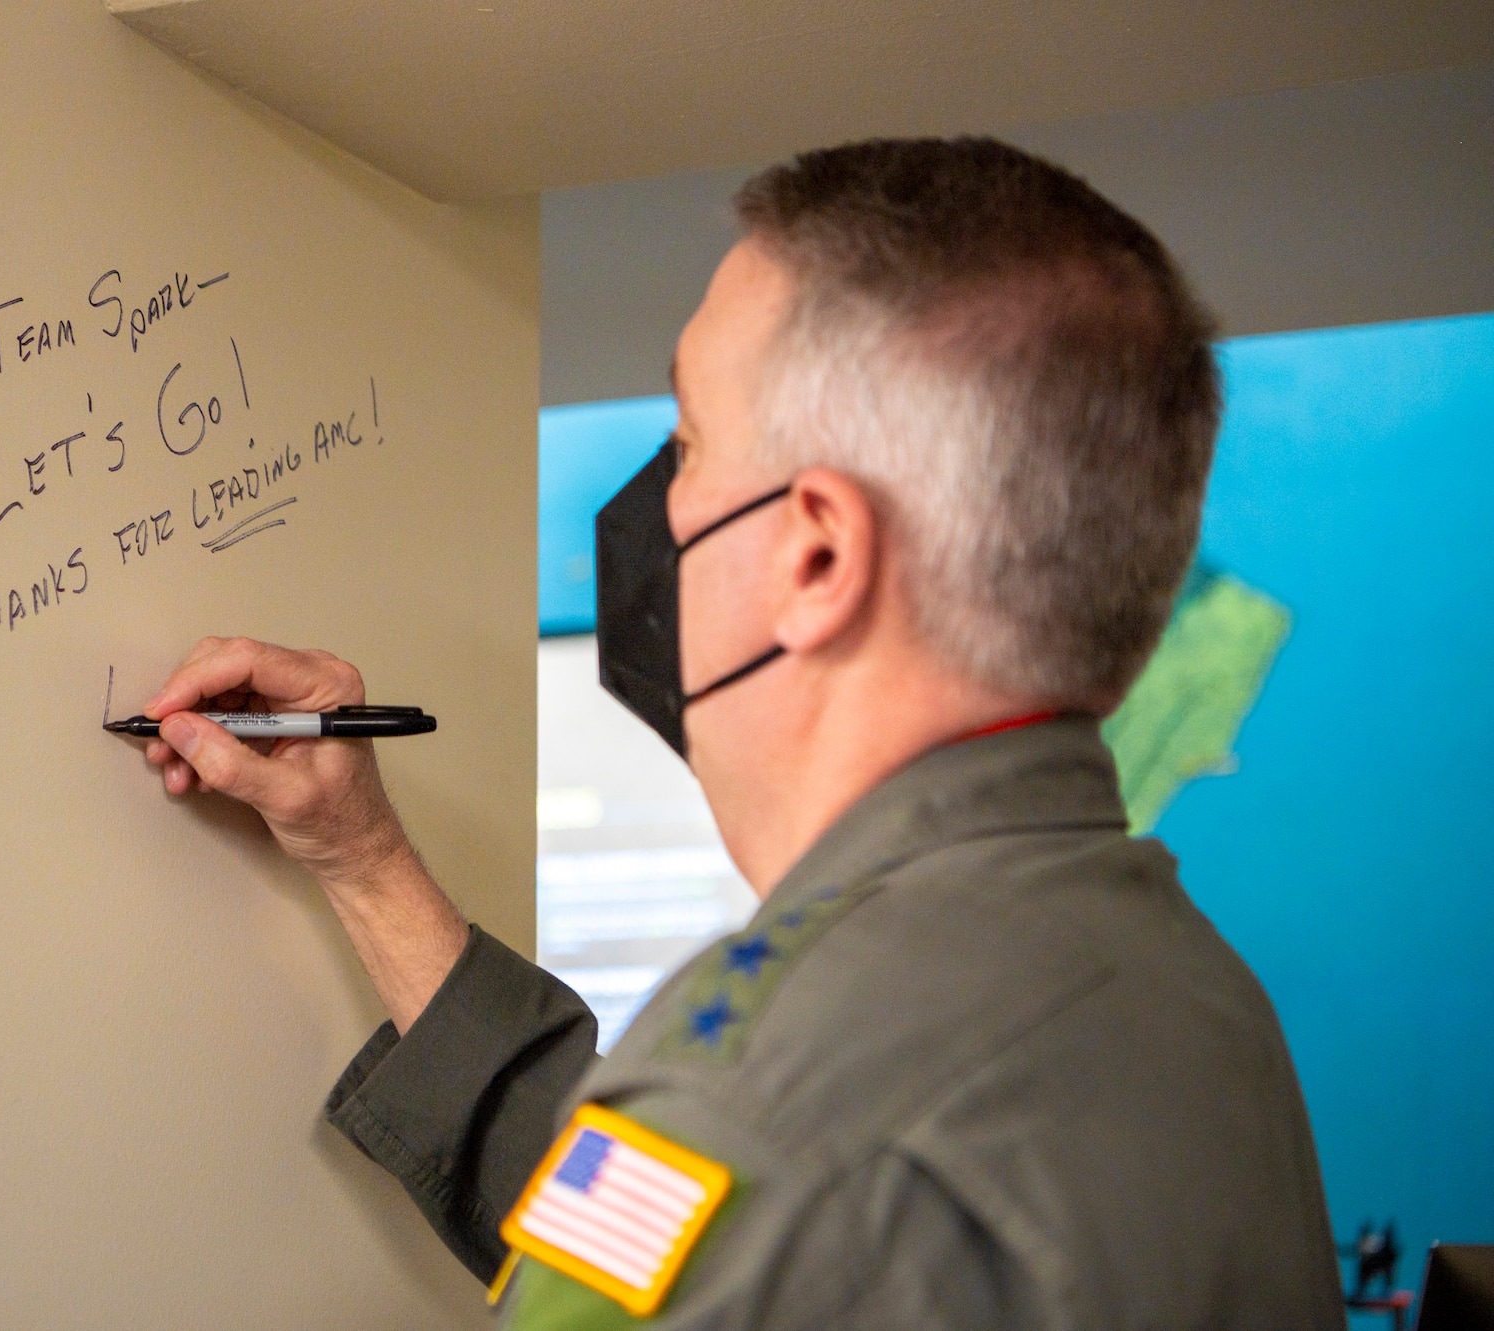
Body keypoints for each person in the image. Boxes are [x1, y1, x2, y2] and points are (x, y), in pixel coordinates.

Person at [136, 139, 1344, 1327]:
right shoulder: (1182, 994)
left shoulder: (766, 1099)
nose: (650, 503)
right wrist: (364, 857)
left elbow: (740, 1181)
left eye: (691, 440)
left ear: (816, 552)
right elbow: (687, 1234)